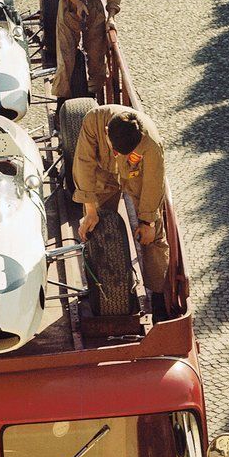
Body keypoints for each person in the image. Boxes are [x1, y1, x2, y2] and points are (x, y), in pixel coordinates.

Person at [72, 105, 170, 317]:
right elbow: (83, 162)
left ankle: (159, 295)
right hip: (102, 173)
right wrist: (90, 210)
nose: (117, 154)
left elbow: (153, 182)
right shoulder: (93, 121)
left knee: (153, 236)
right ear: (106, 132)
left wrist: (148, 223)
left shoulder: (151, 142)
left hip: (136, 175)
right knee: (96, 227)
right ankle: (105, 283)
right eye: (115, 150)